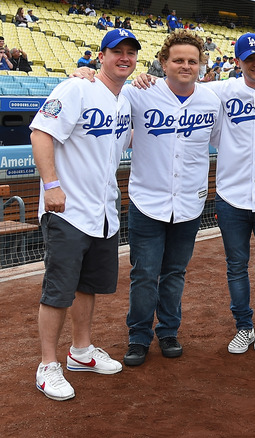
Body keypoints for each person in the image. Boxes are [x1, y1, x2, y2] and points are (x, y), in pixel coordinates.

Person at [133, 34, 255, 360]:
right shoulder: (218, 92)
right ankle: (244, 327)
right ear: (238, 62)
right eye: (249, 59)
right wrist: (135, 76)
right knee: (236, 266)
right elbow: (176, 88)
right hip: (231, 197)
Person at [29, 27, 141, 402]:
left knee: (87, 285)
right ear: (101, 55)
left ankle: (81, 351)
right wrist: (50, 185)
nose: (124, 57)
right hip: (68, 208)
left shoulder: (125, 100)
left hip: (103, 209)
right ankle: (47, 364)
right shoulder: (76, 88)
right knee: (58, 289)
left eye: (130, 52)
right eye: (116, 51)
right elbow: (41, 133)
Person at [118, 30, 221, 367]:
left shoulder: (210, 100)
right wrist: (85, 73)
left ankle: (169, 330)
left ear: (202, 65)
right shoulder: (140, 93)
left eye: (193, 61)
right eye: (178, 60)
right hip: (148, 200)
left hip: (190, 203)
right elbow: (105, 89)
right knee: (145, 273)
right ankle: (138, 336)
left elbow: (223, 141)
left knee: (175, 272)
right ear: (163, 62)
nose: (185, 66)